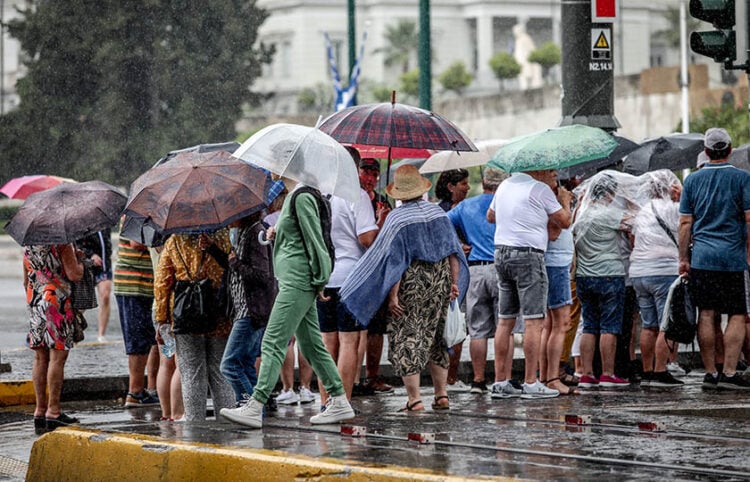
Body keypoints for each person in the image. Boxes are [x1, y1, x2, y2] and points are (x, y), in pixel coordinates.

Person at [220, 176, 355, 428]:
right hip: (298, 278)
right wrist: (277, 233)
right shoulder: (297, 197)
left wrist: (320, 279)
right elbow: (301, 239)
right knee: (312, 344)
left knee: (273, 340)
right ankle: (339, 400)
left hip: (297, 280)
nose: (271, 172)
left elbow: (316, 241)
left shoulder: (301, 196)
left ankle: (255, 404)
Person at [341, 165, 469, 412]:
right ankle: (442, 395)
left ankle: (415, 399)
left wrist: (393, 296)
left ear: (398, 193)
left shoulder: (397, 219)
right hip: (440, 280)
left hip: (412, 284)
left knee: (408, 336)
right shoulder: (438, 213)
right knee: (437, 337)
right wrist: (453, 283)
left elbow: (395, 262)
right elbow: (453, 251)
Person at [487, 168, 571, 399]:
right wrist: (564, 201)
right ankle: (531, 382)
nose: (554, 175)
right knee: (534, 321)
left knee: (505, 321)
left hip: (501, 253)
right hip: (529, 255)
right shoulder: (540, 189)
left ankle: (500, 381)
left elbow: (490, 216)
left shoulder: (504, 185)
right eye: (551, 171)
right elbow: (564, 221)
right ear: (538, 170)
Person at [678, 127, 750, 390]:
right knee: (737, 314)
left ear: (706, 152)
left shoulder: (692, 182)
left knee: (706, 314)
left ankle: (710, 373)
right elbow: (749, 219)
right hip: (733, 257)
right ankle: (730, 373)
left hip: (703, 259)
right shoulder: (743, 178)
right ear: (730, 149)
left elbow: (685, 223)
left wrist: (683, 258)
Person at [154, 230, 236, 421]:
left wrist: (162, 320)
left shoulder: (175, 240)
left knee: (191, 373)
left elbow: (162, 282)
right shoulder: (222, 235)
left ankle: (194, 423)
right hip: (218, 312)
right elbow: (231, 270)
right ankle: (226, 423)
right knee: (220, 371)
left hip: (185, 314)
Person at [317, 160, 379, 404]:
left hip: (324, 276)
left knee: (326, 343)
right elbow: (366, 239)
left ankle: (324, 402)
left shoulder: (319, 195)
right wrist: (379, 226)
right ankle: (342, 403)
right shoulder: (356, 195)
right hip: (351, 279)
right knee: (348, 341)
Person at [446, 167, 508, 394]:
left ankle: (478, 380)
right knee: (505, 325)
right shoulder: (505, 204)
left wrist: (459, 244)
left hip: (474, 271)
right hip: (501, 267)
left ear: (483, 183)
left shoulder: (465, 206)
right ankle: (504, 378)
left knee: (477, 330)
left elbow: (444, 223)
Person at [572, 172, 631, 389]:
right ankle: (608, 373)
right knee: (609, 326)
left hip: (585, 276)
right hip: (609, 274)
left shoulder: (580, 215)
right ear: (609, 193)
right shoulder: (609, 213)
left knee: (589, 325)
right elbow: (634, 222)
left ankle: (587, 374)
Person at [630, 170, 684, 387]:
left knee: (649, 324)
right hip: (664, 271)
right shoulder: (674, 209)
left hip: (639, 272)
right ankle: (661, 371)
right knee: (667, 324)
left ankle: (647, 371)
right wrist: (682, 198)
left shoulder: (642, 211)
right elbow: (688, 226)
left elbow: (634, 236)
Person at [24, 243, 83, 434]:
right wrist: (80, 261)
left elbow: (26, 280)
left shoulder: (28, 244)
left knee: (40, 358)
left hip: (35, 301)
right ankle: (54, 411)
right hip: (56, 302)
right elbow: (75, 274)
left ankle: (40, 410)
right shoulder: (62, 242)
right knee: (57, 358)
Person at [220, 211, 277, 406]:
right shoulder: (244, 232)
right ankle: (257, 412)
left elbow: (263, 275)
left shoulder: (256, 233)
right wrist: (215, 251)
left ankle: (248, 407)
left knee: (229, 365)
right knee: (245, 364)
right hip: (244, 309)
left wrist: (236, 262)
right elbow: (234, 268)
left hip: (251, 310)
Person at [357, 158, 393, 394]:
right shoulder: (353, 199)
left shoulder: (384, 201)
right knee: (356, 328)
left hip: (377, 271)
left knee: (377, 328)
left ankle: (372, 375)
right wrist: (379, 223)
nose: (370, 179)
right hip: (357, 270)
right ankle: (353, 376)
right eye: (366, 173)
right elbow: (367, 239)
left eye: (374, 174)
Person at [113, 230, 160, 407]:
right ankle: (135, 392)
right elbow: (136, 242)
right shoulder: (138, 212)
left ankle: (147, 389)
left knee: (150, 339)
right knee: (137, 340)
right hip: (133, 285)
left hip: (145, 284)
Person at [435, 168, 471, 391]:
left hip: (463, 272)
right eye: (463, 183)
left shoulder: (468, 209)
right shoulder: (440, 212)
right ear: (451, 187)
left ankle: (452, 376)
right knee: (448, 323)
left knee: (458, 324)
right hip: (448, 274)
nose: (467, 187)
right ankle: (446, 378)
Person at [77, 228, 113, 342]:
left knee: (105, 296)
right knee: (83, 303)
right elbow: (77, 246)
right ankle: (75, 329)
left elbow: (107, 243)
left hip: (104, 267)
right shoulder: (83, 223)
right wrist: (91, 255)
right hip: (88, 267)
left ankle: (101, 334)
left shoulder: (104, 223)